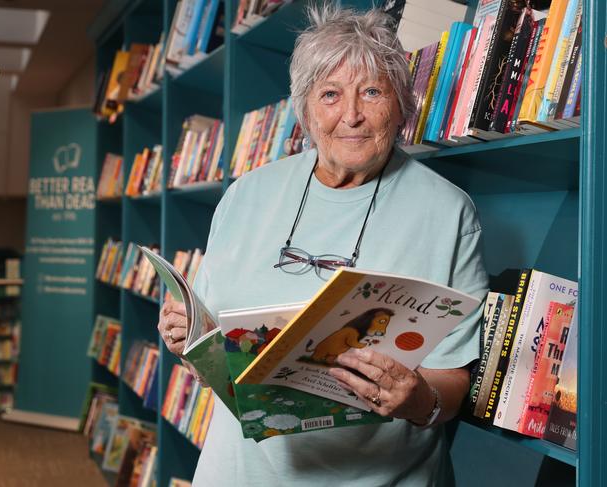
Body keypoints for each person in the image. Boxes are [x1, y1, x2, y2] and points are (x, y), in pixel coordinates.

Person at [158, 5, 488, 486]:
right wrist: (185, 335)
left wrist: (416, 397)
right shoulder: (244, 194)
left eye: (372, 92)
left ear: (400, 105)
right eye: (330, 94)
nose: (351, 115)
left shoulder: (449, 212)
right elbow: (212, 338)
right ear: (306, 110)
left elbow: (455, 379)